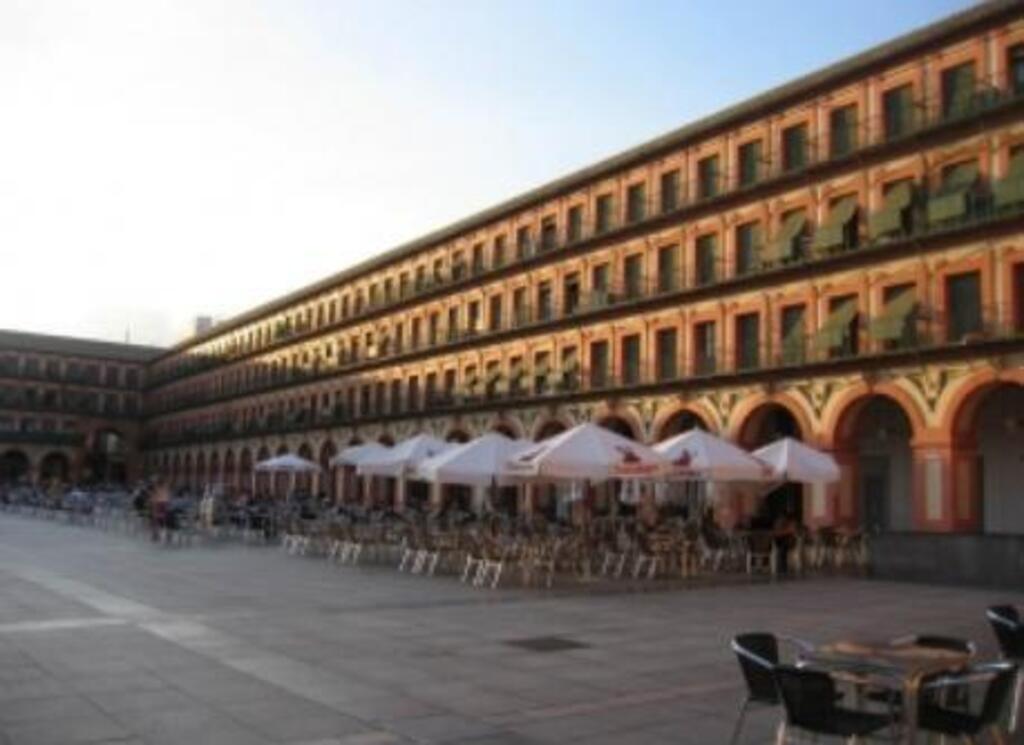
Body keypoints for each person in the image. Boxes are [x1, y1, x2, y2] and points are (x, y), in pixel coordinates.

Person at [150, 477, 170, 543]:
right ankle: (166, 534)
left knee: (156, 520)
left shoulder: (156, 489)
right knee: (165, 521)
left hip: (158, 504)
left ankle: (156, 534)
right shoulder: (165, 489)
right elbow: (168, 499)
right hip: (164, 504)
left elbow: (153, 499)